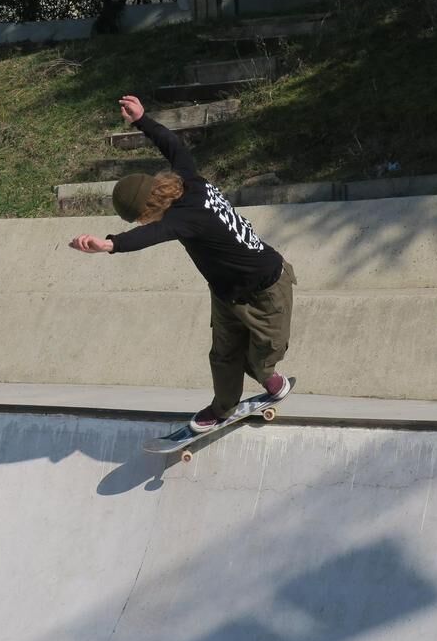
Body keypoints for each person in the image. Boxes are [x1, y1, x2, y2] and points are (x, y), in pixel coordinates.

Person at [69, 95, 295, 432]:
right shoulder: (187, 176)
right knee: (222, 355)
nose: (142, 225)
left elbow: (149, 236)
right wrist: (142, 119)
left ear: (147, 211)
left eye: (139, 220)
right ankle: (223, 407)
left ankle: (271, 380)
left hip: (266, 289)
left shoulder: (183, 219)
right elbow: (171, 143)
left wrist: (110, 244)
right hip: (226, 292)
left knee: (260, 360)